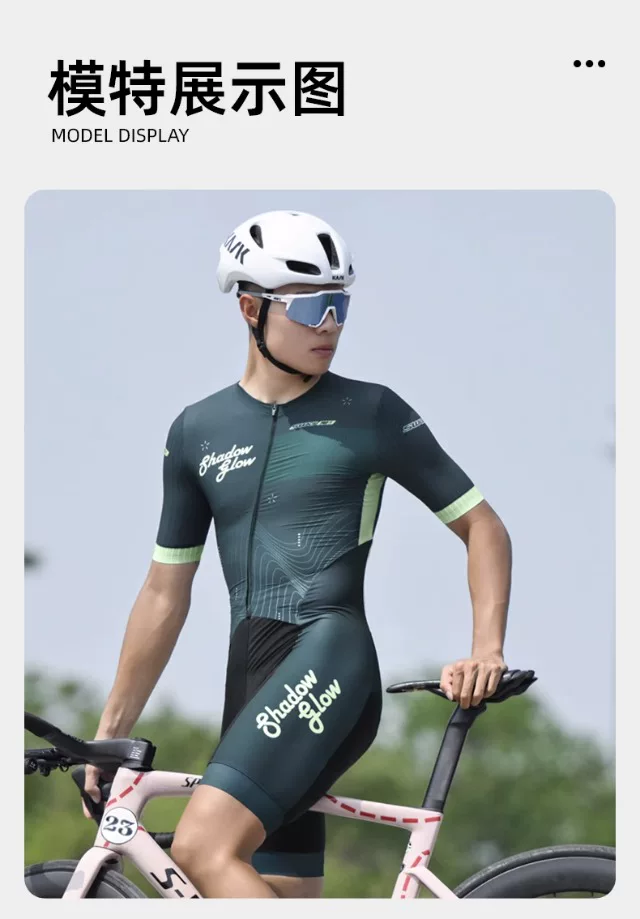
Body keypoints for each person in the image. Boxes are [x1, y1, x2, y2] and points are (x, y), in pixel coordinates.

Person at [83, 210, 512, 898]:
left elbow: (483, 527)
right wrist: (111, 731)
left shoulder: (371, 413)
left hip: (329, 657)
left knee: (200, 847)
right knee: (269, 891)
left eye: (341, 306)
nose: (330, 325)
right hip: (252, 683)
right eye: (312, 306)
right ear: (250, 309)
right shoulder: (196, 432)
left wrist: (485, 647)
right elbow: (165, 591)